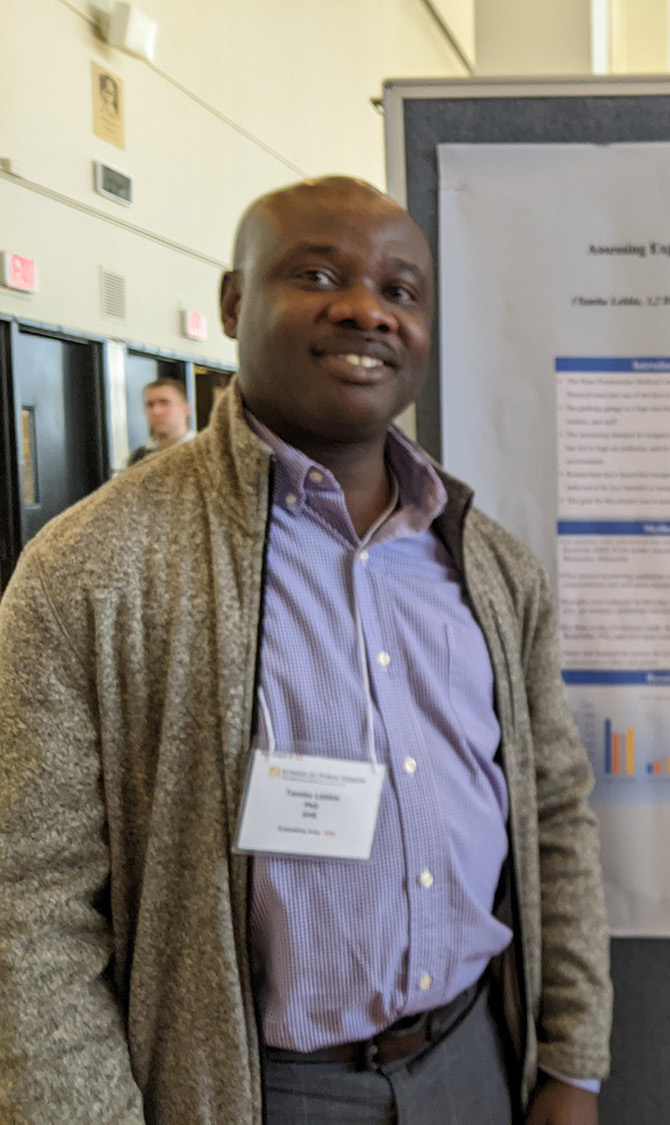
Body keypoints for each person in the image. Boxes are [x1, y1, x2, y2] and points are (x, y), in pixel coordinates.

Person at [0, 177, 612, 1122]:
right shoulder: (94, 568)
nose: (366, 308)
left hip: (476, 1062)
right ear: (235, 302)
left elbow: (554, 817)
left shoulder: (491, 565)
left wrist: (571, 1066)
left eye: (400, 291)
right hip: (251, 1092)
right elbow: (29, 912)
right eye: (318, 273)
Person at [127, 377, 195, 465]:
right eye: (150, 405)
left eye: (164, 403)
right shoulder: (139, 457)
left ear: (186, 409)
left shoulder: (203, 452)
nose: (156, 411)